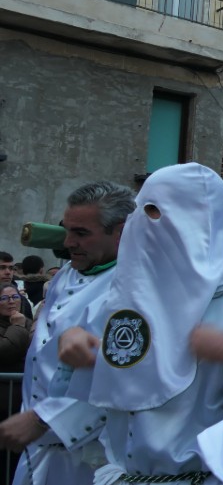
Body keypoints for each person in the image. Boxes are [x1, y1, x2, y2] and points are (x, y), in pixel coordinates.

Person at [57, 164, 223, 485]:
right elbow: (104, 386)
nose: (143, 224)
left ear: (197, 222)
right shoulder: (126, 295)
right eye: (140, 211)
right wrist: (76, 344)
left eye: (155, 211)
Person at [0, 181, 134, 485]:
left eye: (82, 233)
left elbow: (128, 374)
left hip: (94, 456)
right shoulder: (65, 276)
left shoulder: (136, 287)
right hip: (41, 450)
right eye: (67, 229)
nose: (68, 241)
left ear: (122, 231)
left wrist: (44, 420)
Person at [0, 283, 31, 482]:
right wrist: (17, 327)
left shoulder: (29, 322)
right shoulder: (21, 324)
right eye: (4, 298)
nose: (11, 302)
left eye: (15, 297)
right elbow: (5, 351)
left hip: (23, 404)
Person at [0, 254, 33, 322]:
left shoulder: (21, 299)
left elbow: (28, 328)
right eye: (2, 268)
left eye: (11, 268)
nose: (8, 272)